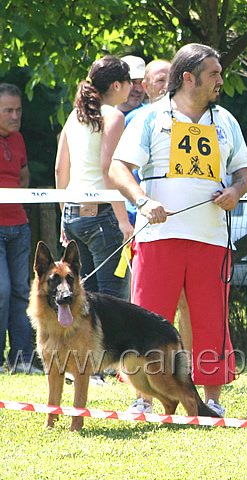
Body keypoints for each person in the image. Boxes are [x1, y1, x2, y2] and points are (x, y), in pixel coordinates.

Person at [109, 43, 247, 416]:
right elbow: (118, 168)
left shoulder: (226, 121)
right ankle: (142, 399)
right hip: (158, 237)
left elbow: (245, 170)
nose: (221, 79)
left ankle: (213, 402)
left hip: (211, 239)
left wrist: (236, 191)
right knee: (145, 318)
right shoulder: (148, 118)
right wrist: (143, 201)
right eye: (214, 74)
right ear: (188, 78)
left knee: (211, 320)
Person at [55, 56, 134, 299]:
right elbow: (108, 166)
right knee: (113, 300)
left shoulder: (73, 116)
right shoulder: (114, 116)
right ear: (117, 85)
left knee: (85, 299)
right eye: (130, 80)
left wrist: (64, 216)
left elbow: (60, 169)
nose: (133, 86)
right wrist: (123, 220)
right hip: (102, 217)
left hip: (72, 216)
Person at [0, 83, 40, 374]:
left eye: (19, 110)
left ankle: (22, 359)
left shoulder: (19, 139)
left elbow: (23, 179)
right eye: (8, 110)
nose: (16, 116)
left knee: (22, 291)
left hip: (20, 226)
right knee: (1, 290)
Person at [117, 55, 146, 122]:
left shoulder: (150, 117)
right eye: (133, 82)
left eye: (142, 82)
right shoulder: (103, 115)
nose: (139, 89)